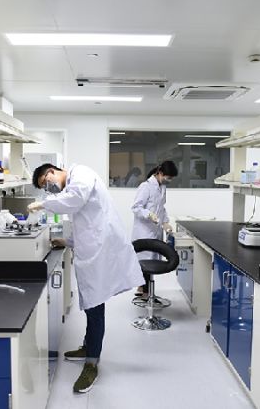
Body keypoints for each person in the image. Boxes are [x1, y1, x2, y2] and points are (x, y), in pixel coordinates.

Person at [27, 163, 143, 393]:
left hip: (100, 252)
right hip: (93, 251)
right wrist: (67, 241)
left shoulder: (80, 173)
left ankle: (92, 363)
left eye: (45, 183)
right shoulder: (73, 184)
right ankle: (88, 347)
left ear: (51, 172)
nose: (48, 188)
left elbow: (75, 200)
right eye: (45, 188)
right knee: (92, 306)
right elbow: (85, 224)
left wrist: (43, 203)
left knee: (95, 306)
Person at [131, 160, 178, 296]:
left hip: (155, 230)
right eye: (168, 177)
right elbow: (135, 207)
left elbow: (161, 208)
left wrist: (166, 222)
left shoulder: (162, 188)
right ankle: (146, 292)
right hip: (144, 231)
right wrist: (148, 214)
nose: (169, 180)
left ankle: (144, 290)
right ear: (160, 173)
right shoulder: (145, 187)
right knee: (145, 262)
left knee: (152, 262)